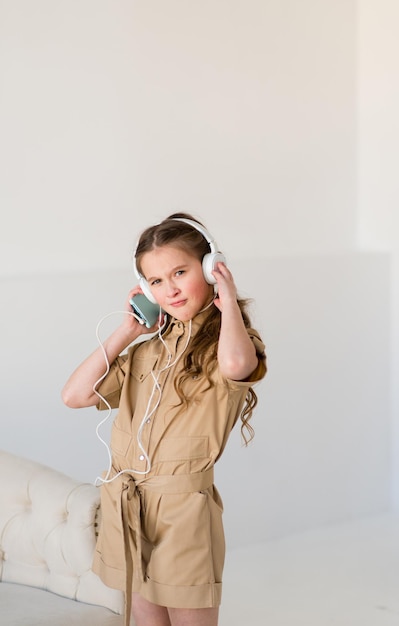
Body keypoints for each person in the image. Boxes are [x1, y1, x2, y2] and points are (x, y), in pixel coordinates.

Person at [62, 213, 267, 626]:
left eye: (180, 272)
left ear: (210, 268)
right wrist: (127, 331)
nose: (169, 288)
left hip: (184, 514)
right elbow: (75, 395)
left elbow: (235, 364)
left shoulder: (229, 344)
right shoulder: (147, 350)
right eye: (156, 281)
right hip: (129, 506)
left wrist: (226, 300)